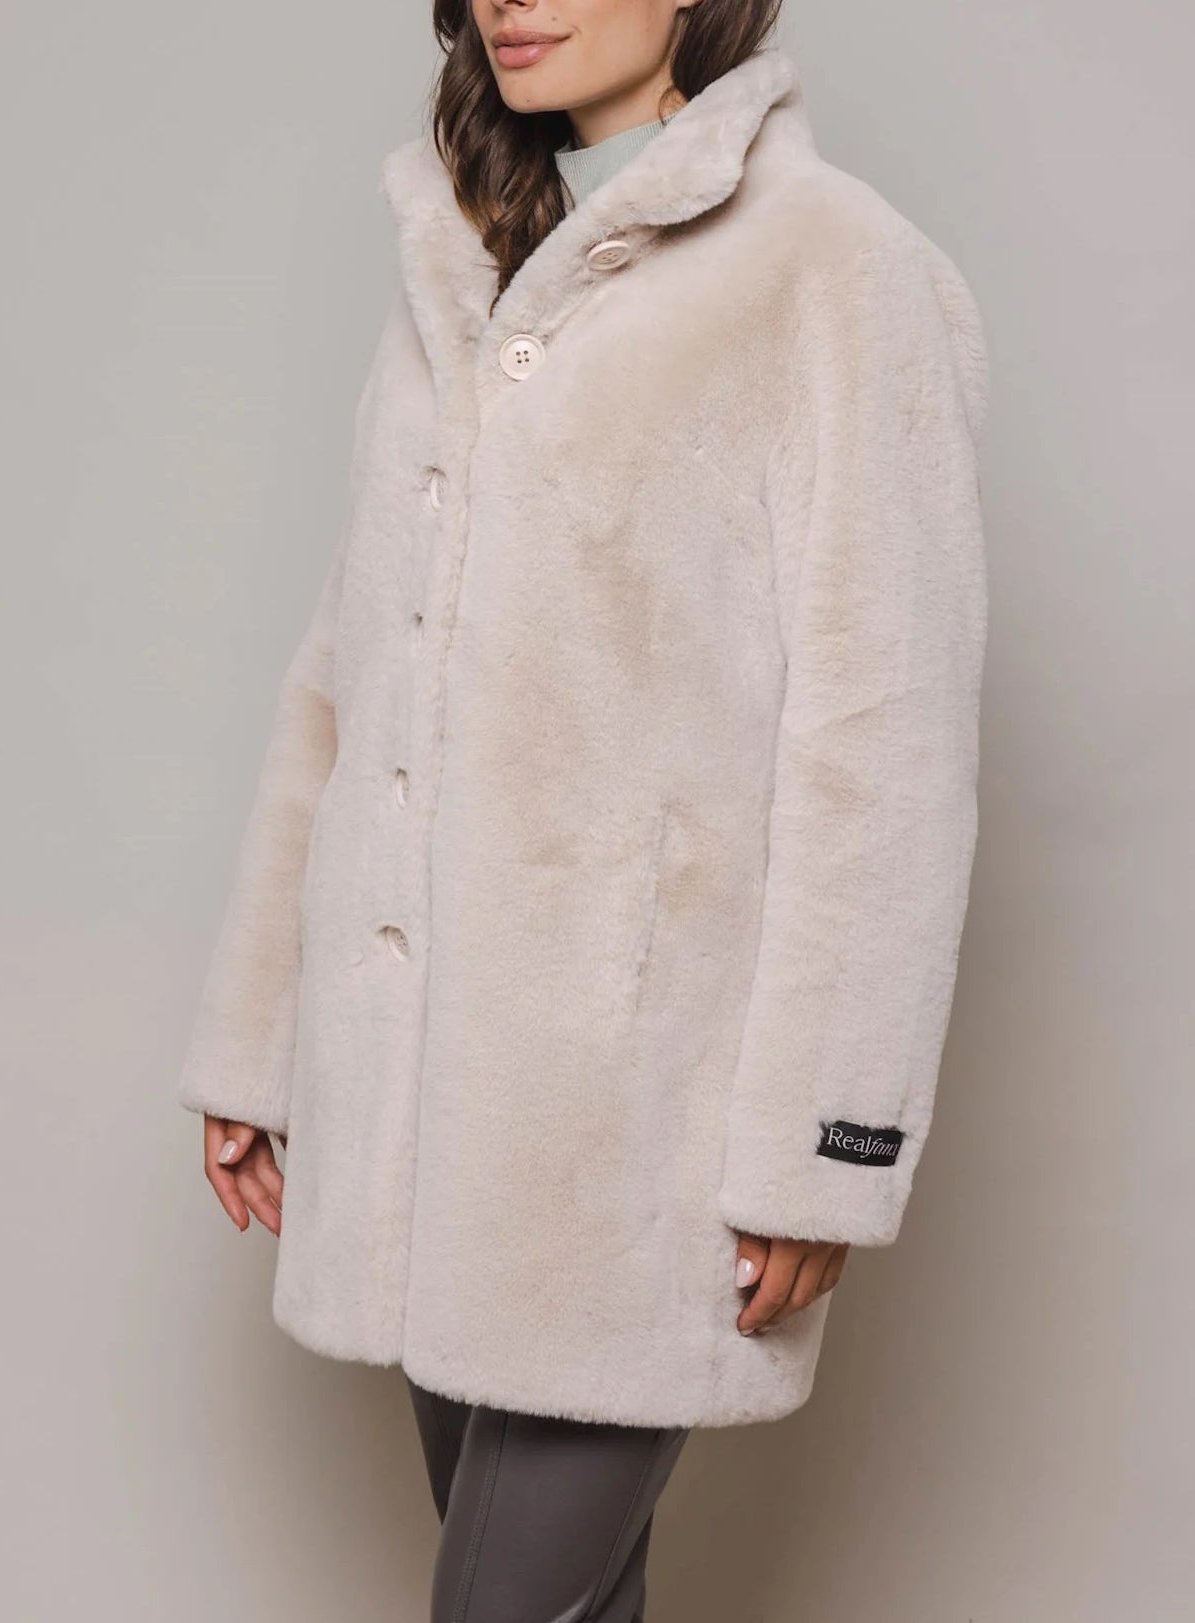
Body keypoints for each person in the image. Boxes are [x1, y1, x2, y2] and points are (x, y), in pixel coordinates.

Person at [176, 2, 989, 1617]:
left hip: (642, 1127)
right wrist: (261, 1039)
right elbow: (351, 676)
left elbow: (884, 748)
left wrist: (824, 1152)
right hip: (422, 1099)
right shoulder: (458, 257)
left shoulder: (836, 268)